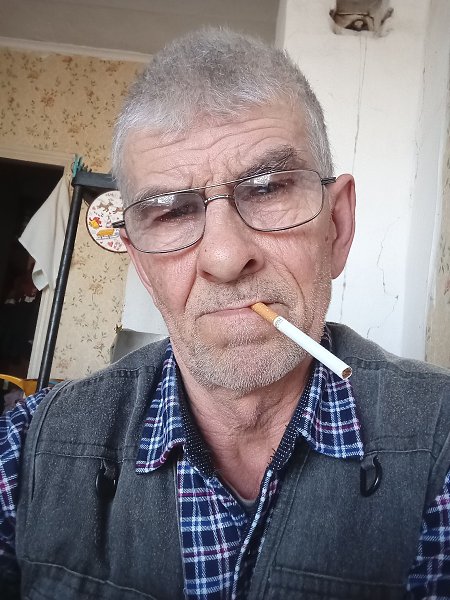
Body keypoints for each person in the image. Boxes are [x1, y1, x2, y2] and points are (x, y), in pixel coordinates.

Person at [1, 27, 449, 600]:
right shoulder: (27, 451)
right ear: (142, 266)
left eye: (268, 188)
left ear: (336, 227)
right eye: (170, 212)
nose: (225, 257)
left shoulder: (440, 449)